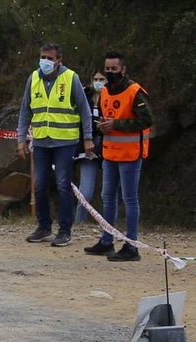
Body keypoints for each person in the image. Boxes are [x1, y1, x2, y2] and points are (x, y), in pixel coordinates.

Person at [16, 42, 95, 247]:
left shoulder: (70, 78)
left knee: (62, 185)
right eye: (43, 57)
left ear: (59, 60)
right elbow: (26, 110)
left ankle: (65, 231)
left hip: (65, 141)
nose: (45, 61)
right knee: (40, 184)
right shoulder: (33, 79)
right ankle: (44, 227)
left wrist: (87, 138)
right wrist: (21, 138)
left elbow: (85, 110)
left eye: (50, 58)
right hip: (41, 141)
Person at [84, 51, 154, 262]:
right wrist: (103, 128)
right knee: (107, 197)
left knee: (130, 199)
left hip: (130, 154)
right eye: (108, 69)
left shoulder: (135, 92)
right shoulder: (105, 91)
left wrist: (117, 125)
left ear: (123, 70)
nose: (110, 72)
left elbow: (146, 120)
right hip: (110, 152)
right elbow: (105, 117)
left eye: (114, 69)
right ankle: (107, 241)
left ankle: (131, 246)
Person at [73, 71, 107, 225]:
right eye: (96, 79)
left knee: (108, 193)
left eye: (102, 79)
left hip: (109, 147)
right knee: (85, 192)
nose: (98, 82)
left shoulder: (114, 97)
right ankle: (79, 223)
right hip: (88, 148)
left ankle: (108, 226)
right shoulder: (84, 95)